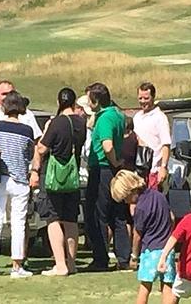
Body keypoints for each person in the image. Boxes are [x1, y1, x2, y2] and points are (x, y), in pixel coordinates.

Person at [0, 80, 42, 269]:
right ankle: (15, 264)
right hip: (15, 177)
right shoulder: (16, 124)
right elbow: (31, 150)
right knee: (13, 222)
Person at [30, 87, 86, 276]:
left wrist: (46, 131)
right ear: (73, 102)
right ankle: (71, 263)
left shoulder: (56, 123)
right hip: (73, 175)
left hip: (54, 176)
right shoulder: (81, 123)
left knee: (53, 219)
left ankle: (60, 264)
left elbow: (42, 149)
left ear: (58, 102)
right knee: (71, 220)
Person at [0, 91, 35, 278]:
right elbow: (29, 154)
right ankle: (17, 265)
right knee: (18, 223)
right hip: (20, 179)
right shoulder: (27, 130)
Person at [84, 82, 130, 271]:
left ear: (96, 101)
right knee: (117, 214)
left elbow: (107, 145)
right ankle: (123, 257)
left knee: (98, 214)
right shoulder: (118, 114)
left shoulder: (104, 119)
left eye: (89, 99)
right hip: (113, 171)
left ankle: (101, 258)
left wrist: (113, 160)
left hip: (102, 168)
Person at [111, 170, 176, 304]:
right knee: (167, 286)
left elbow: (137, 235)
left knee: (145, 286)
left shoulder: (140, 208)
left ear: (130, 191)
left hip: (151, 251)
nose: (125, 202)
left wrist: (134, 255)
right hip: (167, 250)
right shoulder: (159, 196)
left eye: (125, 198)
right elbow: (172, 217)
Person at [133, 82, 171, 190]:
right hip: (138, 170)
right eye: (140, 98)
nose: (143, 101)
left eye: (146, 98)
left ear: (153, 97)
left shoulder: (160, 118)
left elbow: (166, 145)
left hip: (153, 170)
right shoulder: (137, 117)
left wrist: (163, 168)